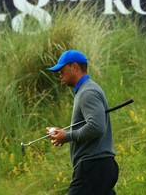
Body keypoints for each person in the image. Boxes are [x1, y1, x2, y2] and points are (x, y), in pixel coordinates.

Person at [46, 49, 119, 195]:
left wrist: (66, 136)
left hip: (93, 166)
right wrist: (63, 133)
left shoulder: (87, 92)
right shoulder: (86, 90)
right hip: (100, 165)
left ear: (74, 67)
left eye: (61, 70)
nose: (59, 75)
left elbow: (96, 127)